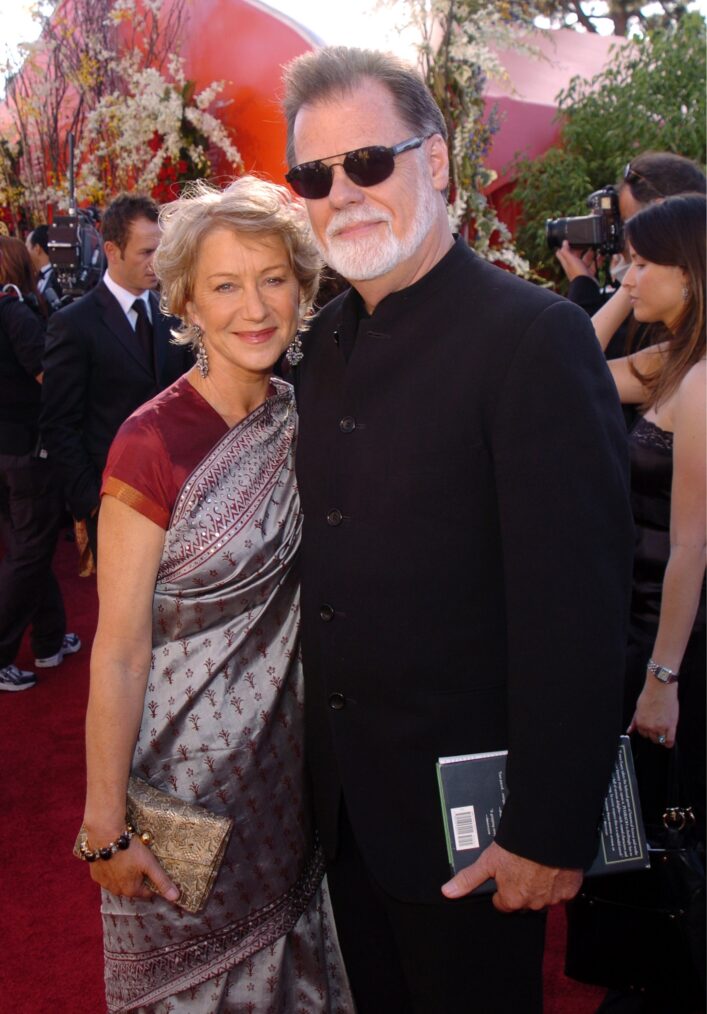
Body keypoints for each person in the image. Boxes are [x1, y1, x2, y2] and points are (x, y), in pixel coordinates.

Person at [281, 45, 634, 1014]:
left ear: (433, 162)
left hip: (478, 829)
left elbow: (577, 611)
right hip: (347, 816)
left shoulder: (530, 338)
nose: (343, 194)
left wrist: (549, 831)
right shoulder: (320, 345)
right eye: (315, 176)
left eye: (368, 163)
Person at [79, 177, 353, 1014]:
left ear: (303, 290)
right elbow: (119, 648)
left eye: (274, 278)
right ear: (187, 302)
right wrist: (104, 824)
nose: (255, 307)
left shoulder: (311, 419)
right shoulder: (150, 442)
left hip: (291, 775)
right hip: (181, 783)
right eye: (225, 285)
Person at [576, 193, 706, 1012]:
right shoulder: (671, 359)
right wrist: (623, 292)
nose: (628, 274)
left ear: (689, 273)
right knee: (630, 821)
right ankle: (644, 971)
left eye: (642, 262)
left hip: (677, 640)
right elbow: (571, 367)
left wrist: (662, 676)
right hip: (637, 627)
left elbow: (694, 545)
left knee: (672, 825)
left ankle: (668, 980)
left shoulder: (699, 384)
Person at [40, 193, 193, 563]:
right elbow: (58, 424)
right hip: (115, 501)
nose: (156, 263)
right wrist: (93, 503)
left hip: (180, 499)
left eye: (160, 250)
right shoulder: (74, 324)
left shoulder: (171, 311)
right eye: (145, 252)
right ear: (112, 250)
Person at [0, 237, 80, 691]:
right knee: (30, 551)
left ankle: (49, 639)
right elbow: (47, 376)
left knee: (31, 548)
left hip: (10, 448)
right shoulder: (13, 311)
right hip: (26, 451)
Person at [555, 152, 706, 323]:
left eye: (627, 223)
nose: (623, 238)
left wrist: (582, 286)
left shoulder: (660, 316)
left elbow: (583, 346)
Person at [25, 224, 64, 311]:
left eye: (27, 247)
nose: (26, 253)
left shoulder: (59, 277)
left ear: (37, 248)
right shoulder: (36, 278)